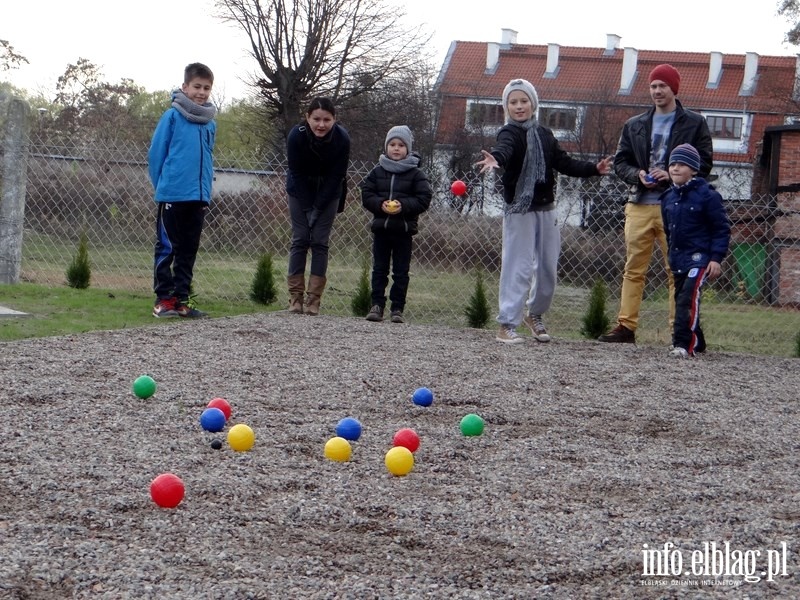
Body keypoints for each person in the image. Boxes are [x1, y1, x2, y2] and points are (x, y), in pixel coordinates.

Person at [476, 78, 613, 344]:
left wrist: (593, 169)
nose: (519, 106)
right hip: (520, 210)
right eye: (513, 102)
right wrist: (497, 159)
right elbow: (504, 150)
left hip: (547, 208)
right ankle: (507, 324)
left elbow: (563, 162)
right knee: (520, 266)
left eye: (523, 101)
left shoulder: (544, 134)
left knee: (548, 268)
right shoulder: (509, 133)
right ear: (507, 107)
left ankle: (534, 315)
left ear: (533, 103)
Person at [598, 64, 713, 344]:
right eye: (653, 86)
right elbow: (620, 163)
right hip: (639, 204)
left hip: (676, 206)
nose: (657, 91)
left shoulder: (694, 123)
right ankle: (626, 327)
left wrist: (674, 173)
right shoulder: (634, 124)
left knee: (677, 269)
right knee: (633, 268)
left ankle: (682, 329)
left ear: (674, 88)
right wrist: (637, 175)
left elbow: (706, 163)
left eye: (663, 85)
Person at [148, 62, 217, 318]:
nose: (201, 92)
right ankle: (163, 299)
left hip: (197, 197)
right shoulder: (172, 116)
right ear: (185, 87)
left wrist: (204, 189)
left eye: (206, 88)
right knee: (168, 248)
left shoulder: (210, 123)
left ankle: (181, 299)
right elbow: (157, 154)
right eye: (196, 86)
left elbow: (207, 157)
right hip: (172, 195)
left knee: (189, 249)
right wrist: (164, 186)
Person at [661, 144, 730, 357]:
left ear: (693, 169)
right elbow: (668, 230)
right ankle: (697, 340)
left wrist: (716, 258)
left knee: (687, 298)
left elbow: (721, 229)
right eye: (672, 164)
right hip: (678, 259)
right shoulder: (667, 198)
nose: (675, 168)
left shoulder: (707, 196)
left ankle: (682, 344)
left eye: (681, 164)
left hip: (699, 259)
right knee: (682, 297)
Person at [360, 125, 432, 323]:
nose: (396, 148)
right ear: (386, 148)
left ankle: (397, 308)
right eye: (392, 144)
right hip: (381, 229)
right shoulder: (377, 172)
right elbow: (367, 195)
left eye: (401, 145)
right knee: (379, 269)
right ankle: (376, 305)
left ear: (408, 148)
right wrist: (380, 205)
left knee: (401, 272)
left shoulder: (416, 174)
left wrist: (404, 206)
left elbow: (424, 199)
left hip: (404, 231)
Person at [285, 97, 351, 316]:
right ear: (307, 118)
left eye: (326, 120)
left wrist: (319, 208)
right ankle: (295, 298)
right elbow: (296, 173)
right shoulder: (297, 136)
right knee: (301, 238)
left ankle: (314, 300)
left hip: (329, 191)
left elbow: (336, 176)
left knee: (320, 241)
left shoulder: (341, 139)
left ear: (334, 120)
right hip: (300, 189)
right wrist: (306, 208)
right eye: (316, 119)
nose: (321, 125)